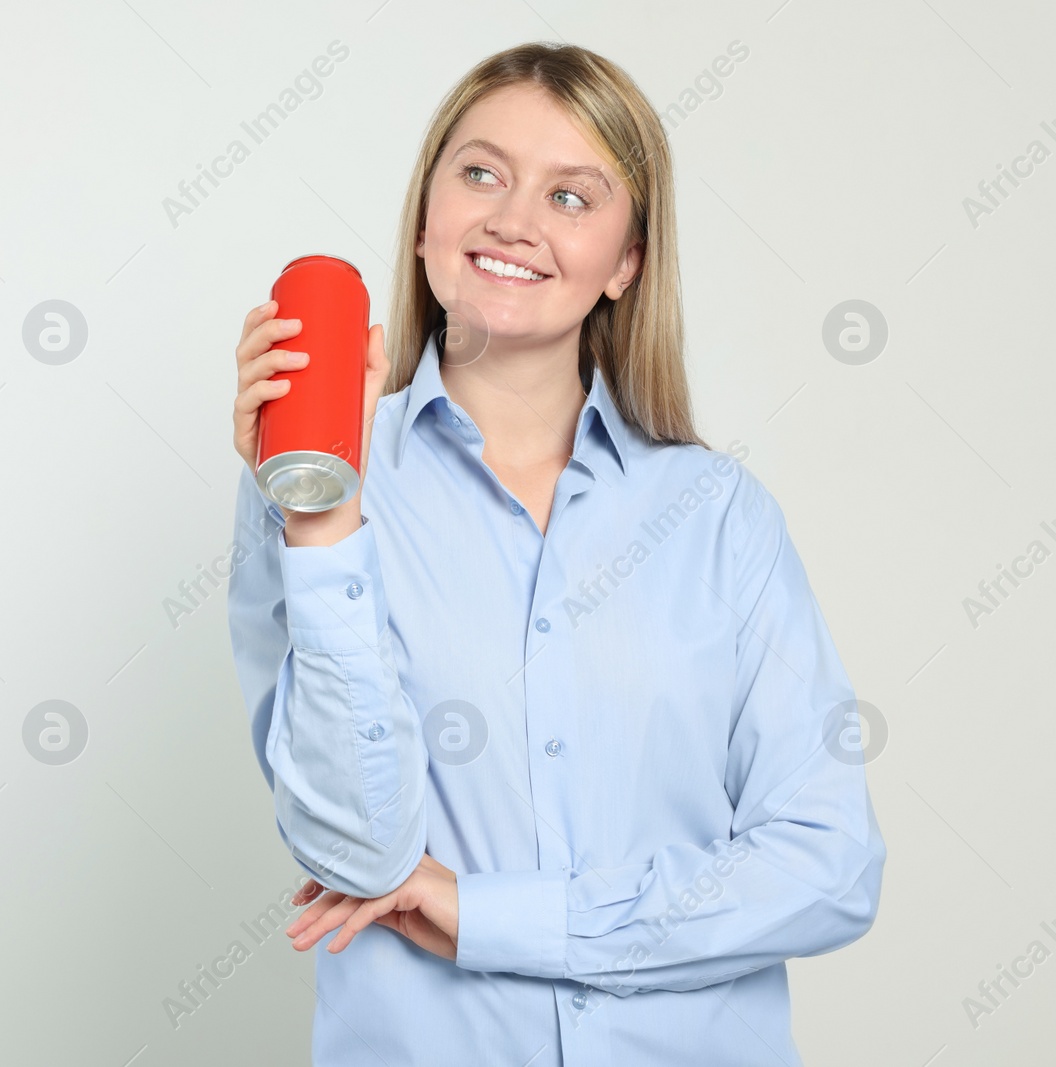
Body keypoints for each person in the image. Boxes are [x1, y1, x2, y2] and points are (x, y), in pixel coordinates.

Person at [225, 41, 886, 1067]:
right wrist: (322, 519)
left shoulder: (718, 517)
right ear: (425, 217)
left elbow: (828, 864)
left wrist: (497, 916)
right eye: (480, 172)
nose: (514, 220)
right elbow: (352, 848)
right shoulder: (312, 483)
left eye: (572, 197)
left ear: (626, 260)